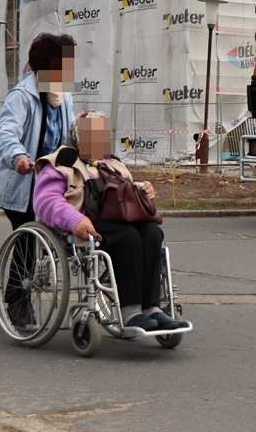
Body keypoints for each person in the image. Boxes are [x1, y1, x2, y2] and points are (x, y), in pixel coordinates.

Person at [33, 110, 183, 331]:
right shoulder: (59, 164)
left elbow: (126, 191)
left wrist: (142, 189)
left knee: (152, 232)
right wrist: (75, 220)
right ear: (78, 135)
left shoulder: (112, 163)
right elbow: (45, 201)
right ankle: (131, 311)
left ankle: (152, 308)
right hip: (85, 224)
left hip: (117, 219)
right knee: (127, 236)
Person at [0, 33, 77, 231]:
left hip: (52, 179)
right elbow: (5, 133)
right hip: (23, 181)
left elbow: (73, 134)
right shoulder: (21, 96)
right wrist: (18, 156)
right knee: (28, 239)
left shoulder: (64, 96)